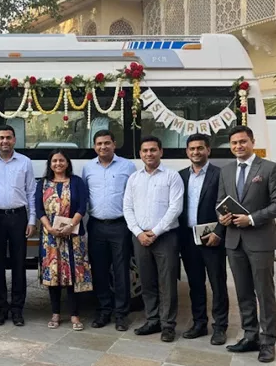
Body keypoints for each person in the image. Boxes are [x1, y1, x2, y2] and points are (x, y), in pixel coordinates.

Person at [218, 125, 276, 363]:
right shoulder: (226, 170)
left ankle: (268, 342)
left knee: (264, 293)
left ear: (252, 142)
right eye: (234, 143)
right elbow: (220, 201)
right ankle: (250, 336)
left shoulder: (269, 168)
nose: (238, 146)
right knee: (243, 291)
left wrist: (251, 219)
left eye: (243, 141)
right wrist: (222, 217)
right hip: (234, 241)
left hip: (260, 240)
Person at [124, 135, 184, 343]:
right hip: (140, 237)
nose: (149, 154)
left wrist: (155, 232)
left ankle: (168, 325)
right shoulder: (134, 178)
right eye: (145, 151)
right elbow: (127, 207)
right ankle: (152, 320)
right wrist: (138, 232)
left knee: (167, 283)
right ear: (140, 154)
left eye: (153, 150)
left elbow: (175, 208)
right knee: (146, 282)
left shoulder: (172, 176)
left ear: (161, 152)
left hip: (165, 237)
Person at [81, 129, 137, 331]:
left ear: (114, 144)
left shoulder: (127, 166)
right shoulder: (88, 168)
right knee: (99, 271)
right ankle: (104, 311)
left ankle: (121, 314)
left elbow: (134, 194)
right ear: (94, 146)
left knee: (121, 272)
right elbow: (84, 196)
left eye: (107, 143)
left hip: (120, 225)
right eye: (99, 143)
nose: (103, 147)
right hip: (96, 225)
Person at [0, 125, 37, 326]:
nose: (5, 141)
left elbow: (31, 192)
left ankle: (17, 309)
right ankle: (0, 309)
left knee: (18, 264)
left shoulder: (25, 162)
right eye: (1, 138)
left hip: (18, 217)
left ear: (14, 140)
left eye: (8, 137)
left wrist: (32, 220)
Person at [178, 133, 229, 346]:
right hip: (188, 238)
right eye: (192, 148)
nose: (196, 152)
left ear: (208, 150)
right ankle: (199, 323)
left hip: (212, 238)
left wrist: (219, 232)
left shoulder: (220, 175)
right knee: (195, 283)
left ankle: (220, 327)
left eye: (200, 148)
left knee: (218, 283)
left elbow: (227, 206)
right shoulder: (181, 176)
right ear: (187, 152)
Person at [36, 150, 93, 331]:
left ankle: (75, 315)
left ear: (67, 163)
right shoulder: (43, 183)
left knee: (73, 275)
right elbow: (39, 208)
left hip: (73, 235)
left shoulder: (76, 182)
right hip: (50, 238)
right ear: (50, 164)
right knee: (54, 275)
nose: (58, 164)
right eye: (54, 161)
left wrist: (71, 225)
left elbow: (82, 206)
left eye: (61, 160)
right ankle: (55, 314)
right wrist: (49, 228)